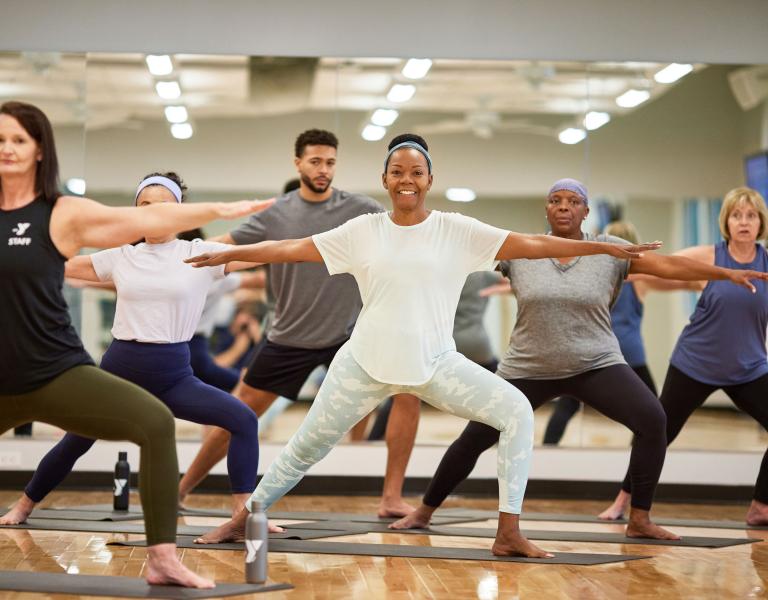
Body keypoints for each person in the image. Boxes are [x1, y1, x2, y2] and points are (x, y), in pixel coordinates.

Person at [183, 134, 662, 557]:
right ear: (385, 179)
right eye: (397, 172)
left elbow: (532, 244)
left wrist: (601, 247)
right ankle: (244, 517)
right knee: (305, 448)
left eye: (416, 172)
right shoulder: (363, 231)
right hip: (362, 364)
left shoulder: (457, 230)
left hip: (434, 365)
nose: (406, 179)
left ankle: (508, 531)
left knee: (515, 411)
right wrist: (232, 253)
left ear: (429, 179)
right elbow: (291, 248)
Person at [389, 177, 768, 540]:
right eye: (556, 201)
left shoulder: (610, 250)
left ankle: (639, 518)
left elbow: (669, 265)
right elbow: (458, 256)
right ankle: (424, 511)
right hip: (528, 368)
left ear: (586, 211)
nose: (564, 207)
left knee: (654, 420)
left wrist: (725, 274)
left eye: (573, 202)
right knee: (474, 438)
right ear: (547, 209)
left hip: (596, 363)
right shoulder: (523, 249)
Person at [0, 101, 271, 588]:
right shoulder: (120, 256)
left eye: (159, 205)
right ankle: (23, 504)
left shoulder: (201, 254)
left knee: (241, 419)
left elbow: (262, 252)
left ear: (178, 211)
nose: (149, 214)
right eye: (140, 207)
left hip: (175, 374)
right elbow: (58, 265)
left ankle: (241, 514)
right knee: (74, 442)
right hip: (121, 366)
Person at [177, 129, 421, 518]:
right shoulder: (277, 215)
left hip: (350, 335)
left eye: (330, 162)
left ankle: (391, 497)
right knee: (237, 414)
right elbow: (222, 246)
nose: (323, 170)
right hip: (291, 337)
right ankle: (182, 489)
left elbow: (405, 231)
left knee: (408, 393)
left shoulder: (360, 208)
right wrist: (166, 259)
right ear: (298, 164)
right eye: (315, 162)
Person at [600, 187, 768, 525]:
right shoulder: (708, 256)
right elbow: (657, 270)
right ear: (727, 221)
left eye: (751, 216)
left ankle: (761, 506)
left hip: (748, 367)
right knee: (658, 430)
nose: (744, 222)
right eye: (737, 215)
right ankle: (624, 499)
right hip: (695, 364)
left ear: (761, 222)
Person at [542, 220, 698, 445]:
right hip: (630, 353)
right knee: (653, 408)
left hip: (595, 348)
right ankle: (638, 451)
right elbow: (679, 281)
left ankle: (548, 447)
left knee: (568, 403)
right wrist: (700, 282)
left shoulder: (598, 278)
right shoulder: (640, 280)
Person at [367, 270, 501, 441]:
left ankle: (372, 438)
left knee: (403, 394)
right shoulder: (482, 275)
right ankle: (497, 436)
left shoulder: (438, 272)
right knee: (500, 390)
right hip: (477, 346)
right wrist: (493, 291)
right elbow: (511, 282)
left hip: (442, 344)